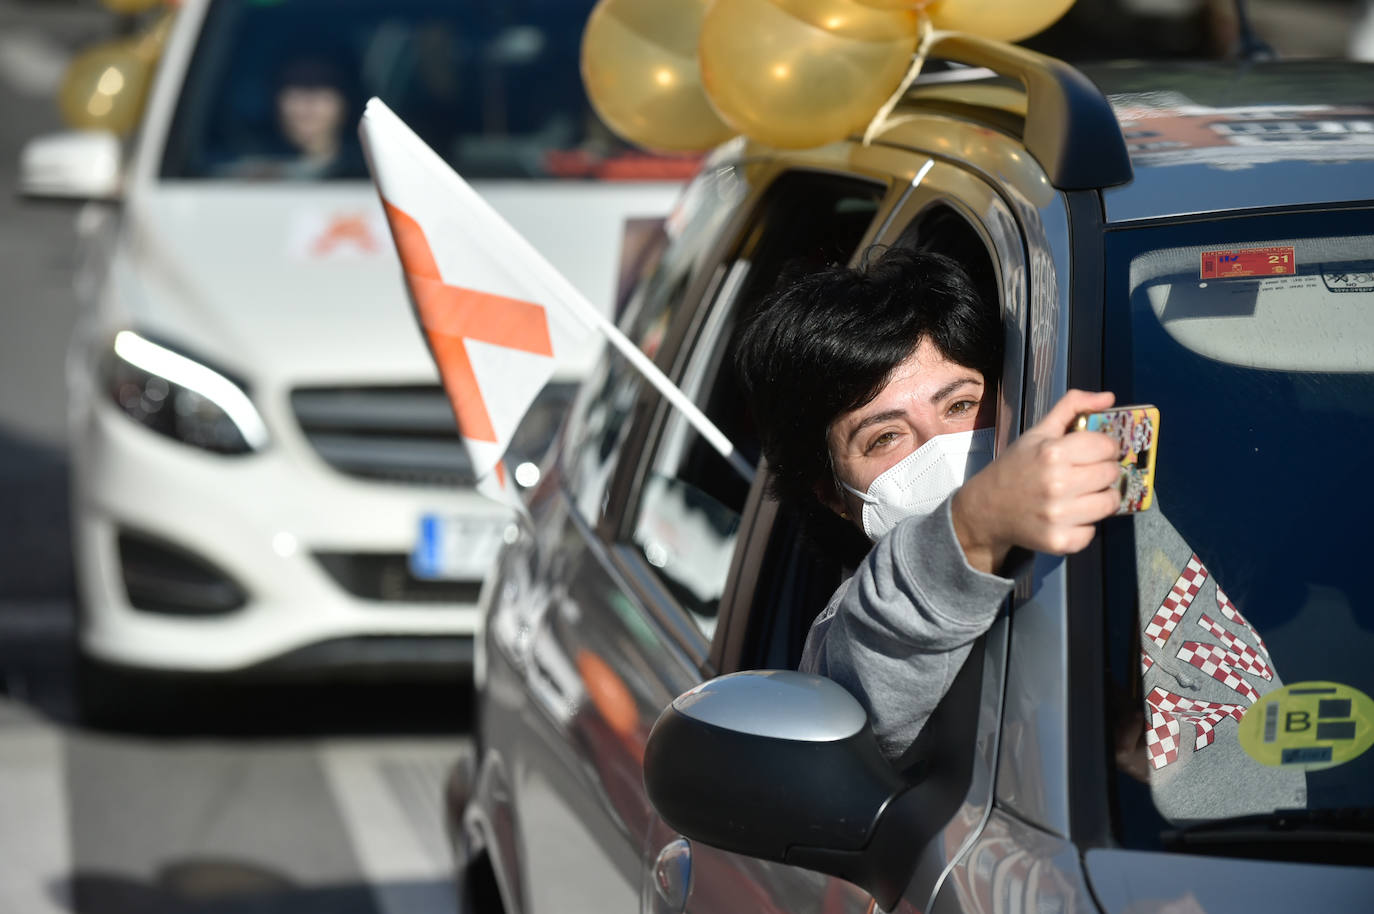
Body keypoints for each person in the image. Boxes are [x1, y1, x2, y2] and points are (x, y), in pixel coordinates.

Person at [734, 245, 1124, 762]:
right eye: (884, 437)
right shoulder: (846, 635)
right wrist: (976, 523)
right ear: (834, 496)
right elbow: (881, 660)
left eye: (961, 405)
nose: (938, 448)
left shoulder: (1118, 532)